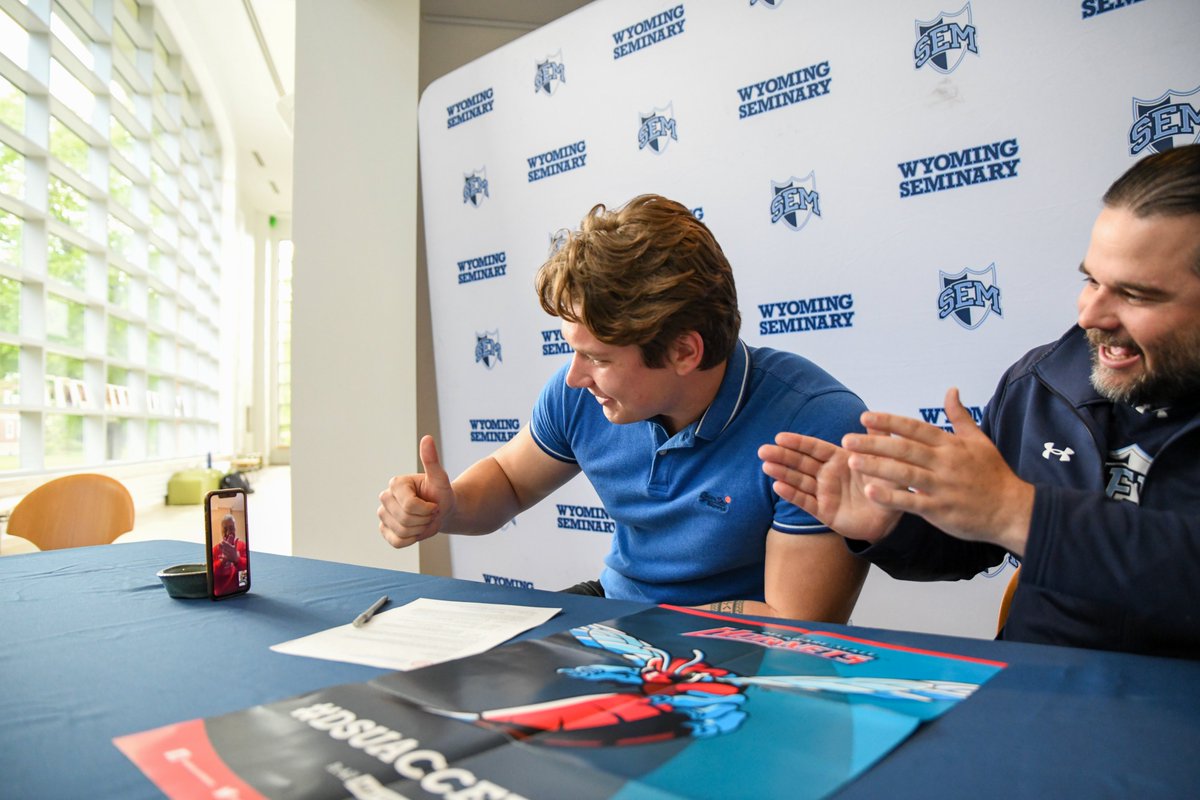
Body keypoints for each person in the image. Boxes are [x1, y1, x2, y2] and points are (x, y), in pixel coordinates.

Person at [759, 144, 1200, 658]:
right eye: (1091, 281)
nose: (1090, 315)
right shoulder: (1042, 384)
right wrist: (894, 525)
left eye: (1136, 295)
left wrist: (1022, 514)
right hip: (1032, 699)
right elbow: (974, 543)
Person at [379, 194, 868, 621]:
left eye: (598, 357)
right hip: (618, 610)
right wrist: (446, 508)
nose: (575, 376)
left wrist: (635, 621)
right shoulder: (581, 391)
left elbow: (794, 625)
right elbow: (508, 481)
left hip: (740, 651)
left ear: (683, 352)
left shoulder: (816, 425)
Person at [212, 513, 248, 595]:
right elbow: (212, 579)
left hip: (240, 594)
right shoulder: (214, 550)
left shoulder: (242, 546)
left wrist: (237, 560)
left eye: (231, 528)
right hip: (221, 596)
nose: (228, 532)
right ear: (221, 531)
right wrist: (222, 562)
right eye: (225, 529)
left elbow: (245, 577)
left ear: (235, 529)